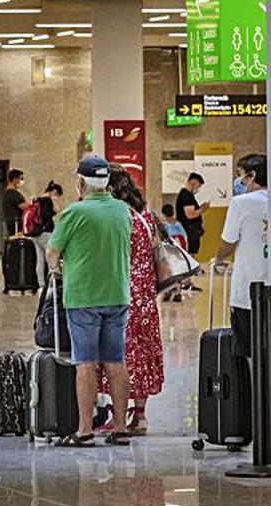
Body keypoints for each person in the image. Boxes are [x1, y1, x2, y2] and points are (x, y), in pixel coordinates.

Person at [46, 156, 132, 447]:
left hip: (83, 297)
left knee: (85, 363)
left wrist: (58, 268)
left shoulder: (75, 212)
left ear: (80, 182)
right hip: (117, 295)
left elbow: (52, 253)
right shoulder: (122, 210)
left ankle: (84, 430)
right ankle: (120, 428)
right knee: (115, 361)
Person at [99, 165, 164, 435]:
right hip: (146, 295)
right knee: (144, 353)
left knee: (121, 356)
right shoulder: (144, 212)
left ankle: (117, 417)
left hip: (122, 292)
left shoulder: (117, 215)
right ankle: (139, 415)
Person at [217, 154, 269, 360]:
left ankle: (251, 391)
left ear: (252, 175)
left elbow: (228, 242)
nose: (238, 181)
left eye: (239, 175)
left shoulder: (241, 203)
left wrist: (218, 258)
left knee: (247, 350)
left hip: (246, 291)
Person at [27, 181, 62, 288]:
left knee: (40, 259)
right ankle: (52, 282)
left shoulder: (37, 199)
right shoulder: (47, 200)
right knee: (51, 258)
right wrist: (54, 210)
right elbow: (47, 216)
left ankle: (41, 283)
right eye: (58, 195)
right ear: (54, 192)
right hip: (45, 233)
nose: (57, 198)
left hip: (35, 234)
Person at [175, 172, 208, 261]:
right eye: (198, 186)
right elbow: (190, 215)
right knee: (189, 253)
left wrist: (200, 207)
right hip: (189, 230)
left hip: (191, 230)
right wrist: (203, 209)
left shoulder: (188, 195)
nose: (198, 189)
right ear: (193, 182)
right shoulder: (186, 196)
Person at [161, 204, 190, 303]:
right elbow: (185, 237)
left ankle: (168, 291)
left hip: (169, 251)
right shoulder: (178, 224)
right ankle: (177, 292)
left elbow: (163, 239)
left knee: (168, 272)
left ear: (164, 214)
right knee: (177, 271)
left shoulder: (165, 226)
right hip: (178, 251)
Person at [1, 168, 27, 238]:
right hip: (17, 229)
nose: (22, 181)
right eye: (21, 179)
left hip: (12, 228)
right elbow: (25, 207)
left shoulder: (7, 193)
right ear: (15, 180)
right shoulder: (13, 193)